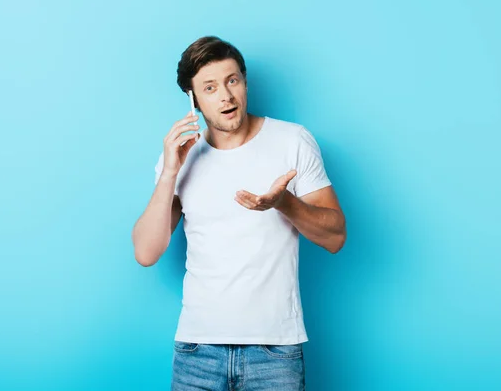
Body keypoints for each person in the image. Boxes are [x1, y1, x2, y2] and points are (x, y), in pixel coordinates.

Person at [131, 36, 346, 391]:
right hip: (196, 351)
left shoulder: (293, 140)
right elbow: (145, 252)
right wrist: (169, 172)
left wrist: (283, 203)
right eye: (210, 87)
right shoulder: (182, 158)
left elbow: (336, 237)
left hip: (275, 352)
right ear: (193, 98)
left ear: (245, 81)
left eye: (232, 81)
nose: (226, 96)